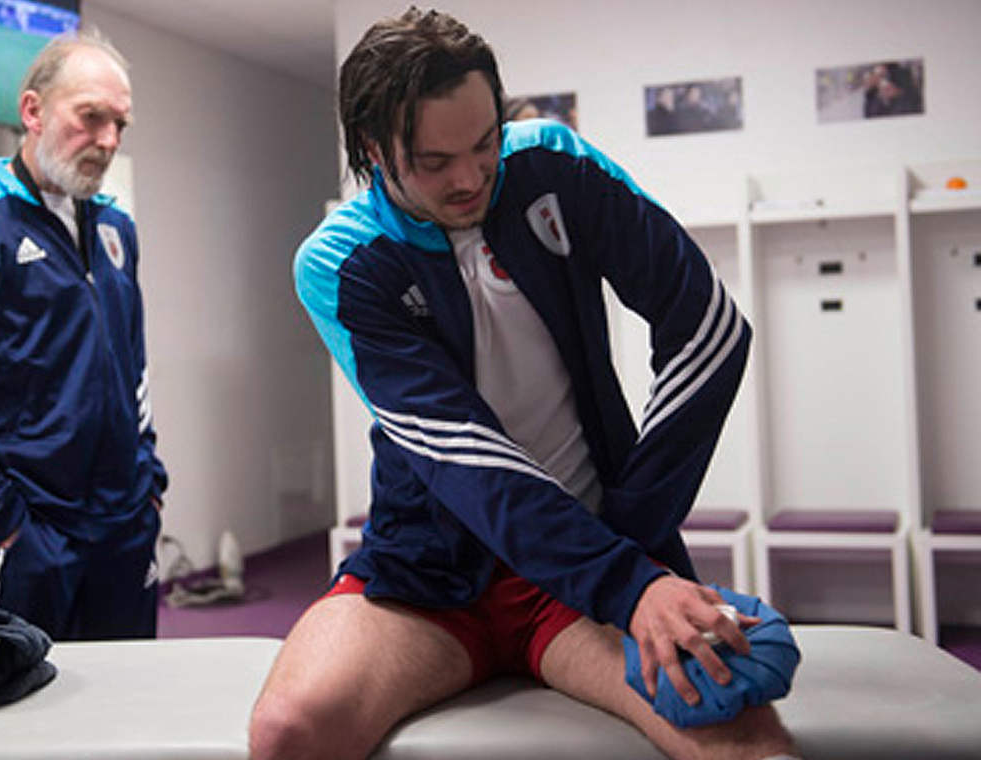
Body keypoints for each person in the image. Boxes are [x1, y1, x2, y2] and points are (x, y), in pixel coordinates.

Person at [249, 8, 798, 760]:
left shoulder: (554, 166)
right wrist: (628, 581)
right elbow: (461, 455)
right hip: (431, 582)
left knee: (742, 738)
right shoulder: (342, 262)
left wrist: (630, 548)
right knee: (288, 733)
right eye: (434, 161)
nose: (471, 176)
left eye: (484, 143)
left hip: (589, 570)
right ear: (374, 149)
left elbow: (709, 326)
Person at [0, 30, 167, 641]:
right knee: (27, 717)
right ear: (33, 111)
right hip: (30, 535)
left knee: (132, 706)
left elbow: (135, 369)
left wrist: (148, 488)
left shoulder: (116, 229)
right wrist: (7, 526)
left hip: (125, 525)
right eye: (91, 117)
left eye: (120, 124)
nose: (107, 140)